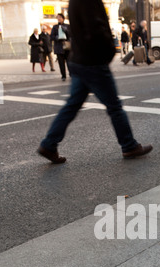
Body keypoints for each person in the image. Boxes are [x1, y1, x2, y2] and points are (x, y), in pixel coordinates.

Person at [37, 0, 153, 164]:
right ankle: (128, 145)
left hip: (79, 59)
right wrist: (108, 52)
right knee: (114, 106)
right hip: (93, 60)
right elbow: (95, 29)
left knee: (72, 105)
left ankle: (49, 144)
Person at [50, 13, 70, 81]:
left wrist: (66, 31)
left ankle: (71, 73)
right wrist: (57, 37)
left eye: (60, 17)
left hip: (67, 47)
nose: (59, 19)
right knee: (61, 63)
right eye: (57, 17)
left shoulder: (67, 26)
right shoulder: (55, 27)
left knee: (69, 62)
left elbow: (71, 35)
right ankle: (63, 75)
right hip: (59, 47)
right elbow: (51, 36)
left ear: (63, 18)